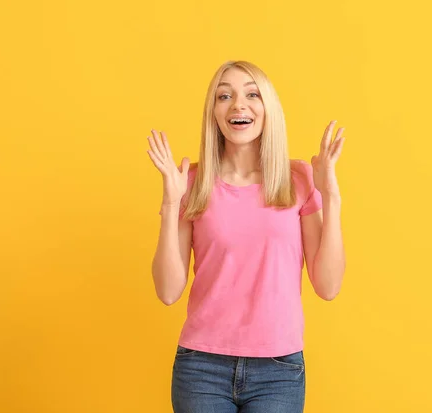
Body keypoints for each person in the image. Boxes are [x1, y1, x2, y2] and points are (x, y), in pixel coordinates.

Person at [147, 60, 346, 413]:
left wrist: (331, 196)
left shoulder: (298, 178)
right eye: (225, 95)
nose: (239, 104)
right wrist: (170, 202)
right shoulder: (192, 183)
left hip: (278, 370)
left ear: (268, 108)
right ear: (214, 112)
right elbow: (167, 291)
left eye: (251, 94)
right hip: (201, 368)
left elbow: (328, 287)